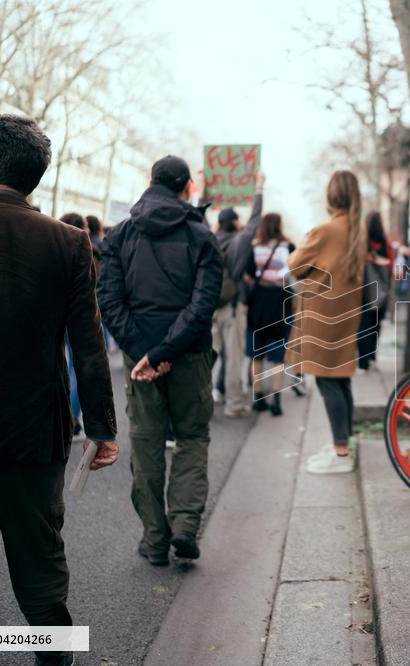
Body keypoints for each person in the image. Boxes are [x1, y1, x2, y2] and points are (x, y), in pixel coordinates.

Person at [0, 114, 118, 666]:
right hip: (33, 439)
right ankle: (52, 655)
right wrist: (102, 428)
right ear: (34, 176)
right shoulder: (67, 242)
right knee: (40, 575)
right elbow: (88, 345)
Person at [97, 155, 223, 566]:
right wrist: (165, 351)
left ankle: (154, 539)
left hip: (141, 359)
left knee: (148, 443)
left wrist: (145, 352)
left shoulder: (120, 235)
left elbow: (110, 301)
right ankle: (184, 523)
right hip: (189, 353)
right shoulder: (200, 235)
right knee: (191, 437)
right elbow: (203, 304)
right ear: (187, 187)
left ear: (150, 182)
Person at [287, 170, 366, 474]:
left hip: (323, 315)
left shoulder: (324, 231)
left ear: (331, 197)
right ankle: (343, 443)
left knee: (327, 380)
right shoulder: (357, 230)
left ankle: (341, 452)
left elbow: (294, 266)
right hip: (347, 313)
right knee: (340, 378)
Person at [246, 212, 296, 415]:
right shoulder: (289, 247)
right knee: (278, 355)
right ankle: (276, 400)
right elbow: (297, 274)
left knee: (256, 355)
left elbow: (248, 275)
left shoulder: (254, 247)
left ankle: (258, 398)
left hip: (258, 303)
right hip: (281, 303)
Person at [211, 206, 251, 417]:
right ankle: (234, 404)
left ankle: (198, 403)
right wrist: (260, 190)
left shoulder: (208, 238)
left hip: (208, 306)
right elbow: (253, 225)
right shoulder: (239, 242)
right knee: (233, 357)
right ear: (235, 222)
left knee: (206, 357)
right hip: (232, 306)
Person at [60, 213, 90, 438]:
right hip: (79, 317)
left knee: (60, 366)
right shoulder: (86, 250)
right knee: (77, 369)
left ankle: (65, 418)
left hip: (56, 316)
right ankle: (72, 419)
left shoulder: (50, 245)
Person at [357, 210, 393, 371]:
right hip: (381, 292)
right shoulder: (386, 244)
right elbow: (391, 267)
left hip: (363, 291)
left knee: (363, 325)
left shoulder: (361, 242)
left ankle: (362, 362)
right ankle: (372, 357)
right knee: (376, 325)